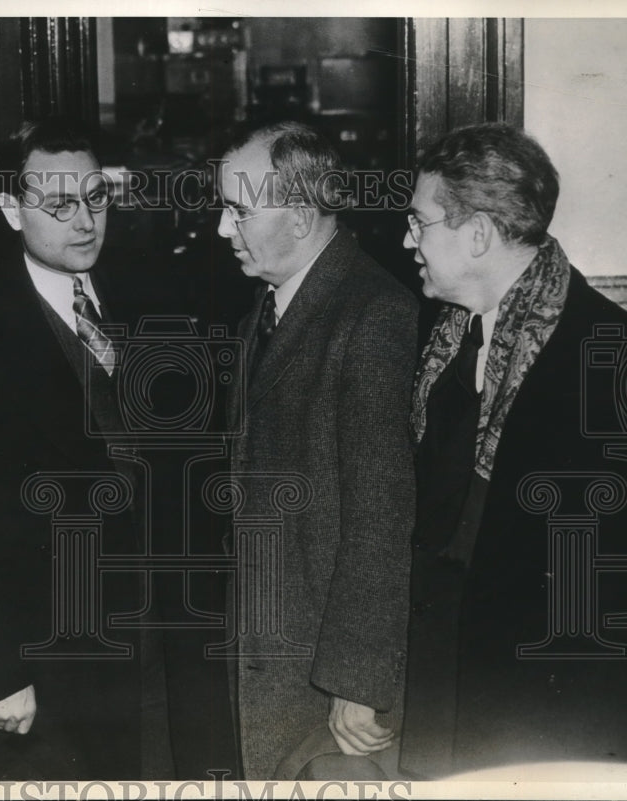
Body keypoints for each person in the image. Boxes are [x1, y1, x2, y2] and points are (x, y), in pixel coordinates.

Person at [0, 117, 236, 779]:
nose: (84, 220)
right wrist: (0, 669)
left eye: (95, 197)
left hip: (177, 636)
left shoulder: (158, 297)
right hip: (58, 653)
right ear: (10, 208)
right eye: (59, 204)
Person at [400, 122, 627, 778]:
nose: (406, 239)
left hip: (538, 707)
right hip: (437, 675)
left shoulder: (611, 358)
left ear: (477, 235)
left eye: (419, 223)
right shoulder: (441, 335)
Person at [215, 121, 418, 779]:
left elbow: (381, 513)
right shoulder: (270, 306)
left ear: (300, 218)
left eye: (239, 211)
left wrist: (357, 676)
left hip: (332, 690)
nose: (223, 230)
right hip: (282, 655)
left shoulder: (373, 314)